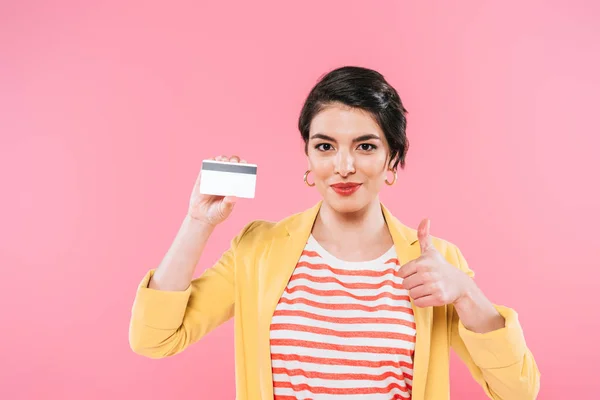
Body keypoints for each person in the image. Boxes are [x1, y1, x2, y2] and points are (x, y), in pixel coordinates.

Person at [129, 66, 540, 400]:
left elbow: (519, 391)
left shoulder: (434, 264)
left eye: (365, 146)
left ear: (393, 159)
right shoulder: (258, 249)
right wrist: (198, 223)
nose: (343, 166)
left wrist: (466, 293)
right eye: (325, 146)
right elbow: (155, 339)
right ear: (307, 154)